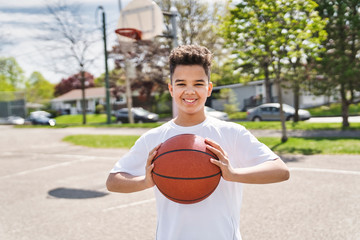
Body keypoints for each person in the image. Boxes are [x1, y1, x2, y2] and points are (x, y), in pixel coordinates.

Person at [106, 45, 290, 240]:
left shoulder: (231, 133)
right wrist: (144, 181)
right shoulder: (154, 138)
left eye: (198, 83)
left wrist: (233, 174)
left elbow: (280, 170)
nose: (190, 91)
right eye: (181, 83)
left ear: (209, 88)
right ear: (171, 88)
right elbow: (113, 181)